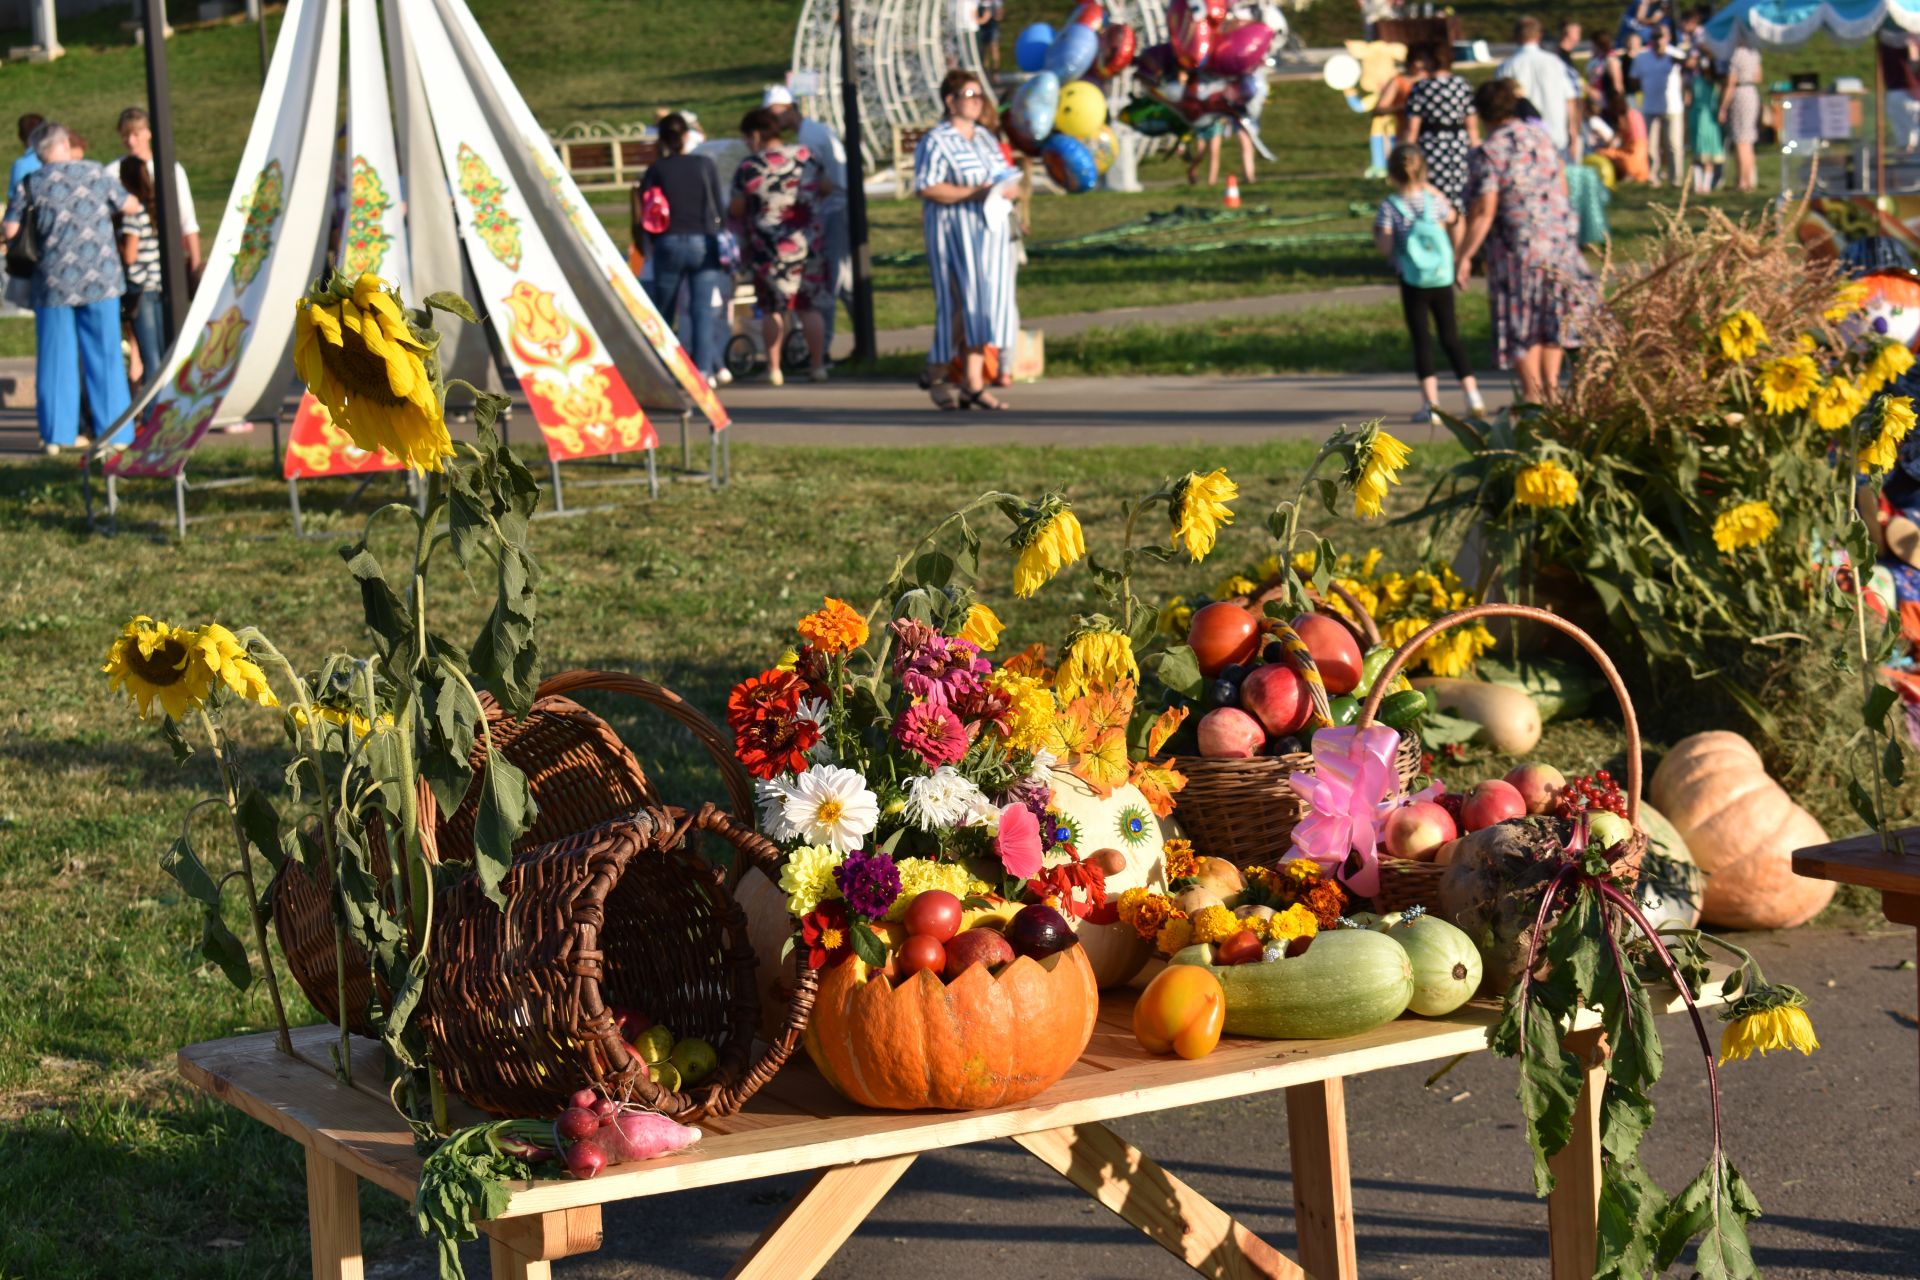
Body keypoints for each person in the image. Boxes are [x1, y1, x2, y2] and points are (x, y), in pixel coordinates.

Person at [3, 123, 140, 455]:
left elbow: (10, 230)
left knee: (55, 358)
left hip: (53, 283)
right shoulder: (94, 173)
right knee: (106, 355)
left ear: (39, 152)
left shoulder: (31, 183)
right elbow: (130, 205)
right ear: (65, 145)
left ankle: (56, 435)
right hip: (101, 280)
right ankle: (117, 433)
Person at [1457, 79, 1595, 403]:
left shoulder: (1490, 151)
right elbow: (1561, 181)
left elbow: (1484, 210)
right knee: (1552, 316)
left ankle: (1533, 399)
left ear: (1482, 114)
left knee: (1523, 322)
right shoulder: (1540, 136)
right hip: (1558, 240)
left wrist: (1463, 255)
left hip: (1517, 248)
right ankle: (1552, 389)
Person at [914, 70, 1019, 410]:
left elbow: (1001, 175)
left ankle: (972, 382)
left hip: (989, 233)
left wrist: (1007, 190)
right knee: (960, 304)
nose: (977, 102)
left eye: (979, 96)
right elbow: (928, 186)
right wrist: (976, 193)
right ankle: (938, 370)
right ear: (951, 101)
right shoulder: (937, 140)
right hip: (954, 232)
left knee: (986, 306)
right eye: (970, 95)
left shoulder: (985, 138)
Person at [1374, 144, 1485, 424]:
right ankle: (1473, 396)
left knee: (1422, 339)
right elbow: (1454, 219)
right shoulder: (1434, 202)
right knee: (1451, 336)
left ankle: (1431, 405)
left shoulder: (1390, 207)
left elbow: (1386, 247)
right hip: (1441, 276)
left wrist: (1380, 237)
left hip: (1412, 279)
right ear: (1424, 170)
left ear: (1391, 173)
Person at [728, 107, 832, 385]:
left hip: (769, 246)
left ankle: (774, 368)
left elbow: (737, 207)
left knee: (773, 307)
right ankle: (818, 365)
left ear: (755, 134)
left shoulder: (750, 167)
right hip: (808, 240)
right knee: (808, 306)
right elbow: (826, 187)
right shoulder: (807, 156)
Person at [637, 113, 730, 386]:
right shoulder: (705, 165)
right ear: (688, 136)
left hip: (669, 241)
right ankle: (703, 371)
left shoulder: (656, 170)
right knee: (702, 310)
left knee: (665, 309)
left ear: (662, 139)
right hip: (704, 241)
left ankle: (665, 368)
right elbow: (718, 207)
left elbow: (648, 210)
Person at [763, 85, 849, 357]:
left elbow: (818, 183)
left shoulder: (808, 138)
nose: (772, 123)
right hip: (835, 206)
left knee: (829, 281)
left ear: (787, 109)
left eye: (774, 115)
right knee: (843, 282)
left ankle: (820, 350)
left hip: (833, 208)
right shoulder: (812, 131)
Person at [115, 108, 202, 288]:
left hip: (168, 258)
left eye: (135, 134)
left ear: (148, 133)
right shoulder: (114, 171)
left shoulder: (171, 170)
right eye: (125, 135)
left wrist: (195, 264)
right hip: (134, 271)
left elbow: (187, 219)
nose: (130, 141)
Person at [1402, 49, 1478, 209]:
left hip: (1431, 146)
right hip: (1459, 145)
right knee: (1459, 202)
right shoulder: (1462, 85)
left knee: (1433, 200)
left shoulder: (1421, 87)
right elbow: (1472, 124)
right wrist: (1475, 149)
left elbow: (1412, 128)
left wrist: (1407, 155)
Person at [1498, 16, 1579, 155]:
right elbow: (1570, 98)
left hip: (1523, 139)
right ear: (1539, 36)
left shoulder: (1507, 67)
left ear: (1516, 37)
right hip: (1555, 135)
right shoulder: (1555, 62)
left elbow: (1501, 106)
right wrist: (1573, 131)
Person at [116, 155, 164, 390]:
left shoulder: (133, 214)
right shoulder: (153, 209)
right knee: (159, 349)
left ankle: (152, 410)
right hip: (156, 284)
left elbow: (130, 256)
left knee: (148, 354)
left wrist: (118, 245)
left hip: (140, 287)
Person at [1630, 26, 1685, 187]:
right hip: (1650, 106)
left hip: (1672, 107)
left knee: (1674, 145)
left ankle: (1676, 178)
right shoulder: (1642, 58)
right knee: (1651, 146)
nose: (1658, 40)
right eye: (1655, 37)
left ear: (1668, 37)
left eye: (1661, 36)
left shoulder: (1675, 55)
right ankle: (1653, 177)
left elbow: (1688, 71)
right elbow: (1634, 80)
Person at [1721, 36, 1763, 192]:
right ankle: (1749, 178)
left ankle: (1743, 181)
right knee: (1748, 140)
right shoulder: (1754, 52)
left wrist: (1723, 106)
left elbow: (1731, 82)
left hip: (1740, 94)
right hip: (1752, 92)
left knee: (1741, 141)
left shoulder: (1735, 54)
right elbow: (1758, 77)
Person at [1686, 52, 1725, 192]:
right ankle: (1703, 186)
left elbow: (1688, 99)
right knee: (1705, 154)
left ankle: (1701, 185)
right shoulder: (1711, 82)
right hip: (1706, 118)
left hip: (1702, 117)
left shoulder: (1699, 81)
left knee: (1701, 152)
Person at [1883, 34, 1920, 153]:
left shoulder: (1886, 43)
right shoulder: (1910, 41)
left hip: (1895, 91)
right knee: (1913, 132)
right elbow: (1913, 63)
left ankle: (1905, 151)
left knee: (1904, 135)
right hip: (1909, 92)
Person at [976, 0, 1004, 72]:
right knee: (984, 48)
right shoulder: (978, 2)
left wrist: (995, 16)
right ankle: (985, 68)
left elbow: (1000, 14)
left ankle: (996, 69)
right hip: (982, 27)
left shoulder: (996, 2)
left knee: (994, 46)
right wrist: (982, 19)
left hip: (993, 26)